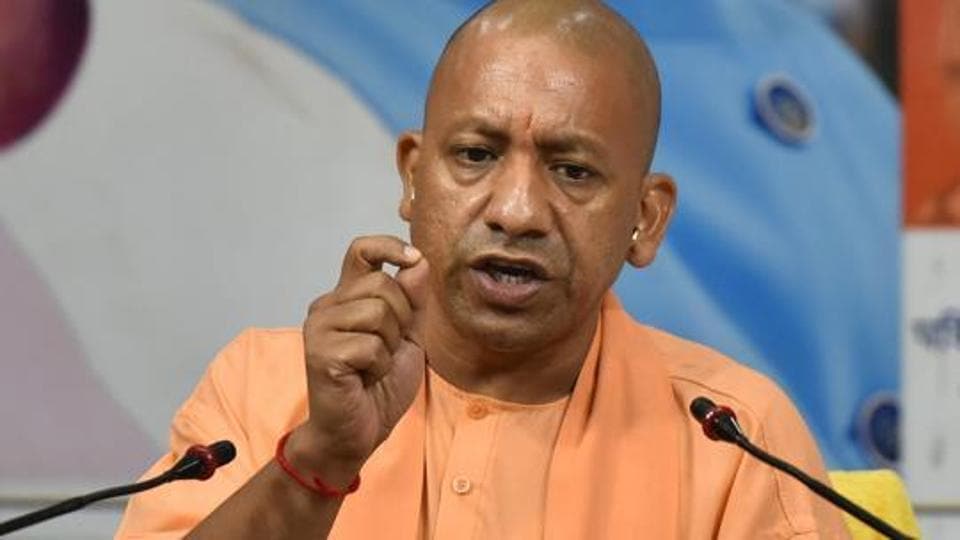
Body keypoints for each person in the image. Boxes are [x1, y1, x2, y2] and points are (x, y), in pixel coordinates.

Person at [116, 1, 849, 538]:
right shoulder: (263, 386)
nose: (517, 211)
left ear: (645, 218)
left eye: (572, 170)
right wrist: (320, 459)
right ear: (413, 177)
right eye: (475, 155)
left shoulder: (732, 435)